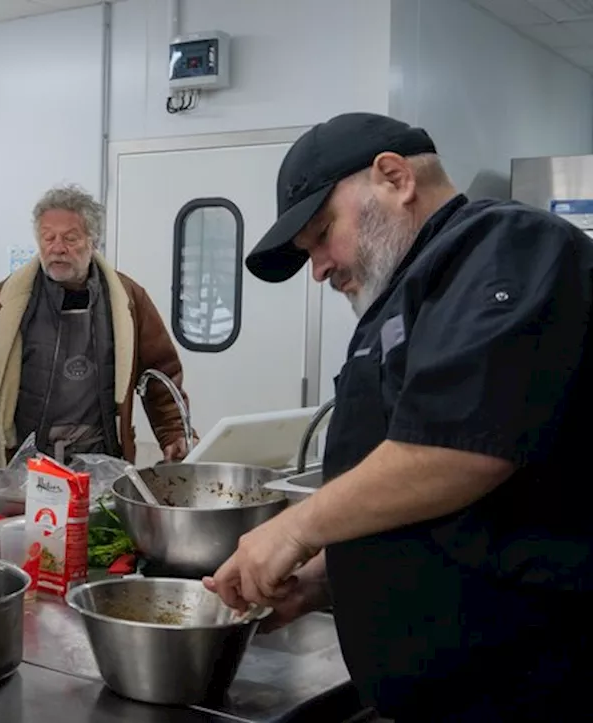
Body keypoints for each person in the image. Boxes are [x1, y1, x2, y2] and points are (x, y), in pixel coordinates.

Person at [205, 112, 593, 721]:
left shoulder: (505, 244)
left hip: (522, 688)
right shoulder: (412, 291)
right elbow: (441, 511)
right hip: (439, 692)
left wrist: (295, 529)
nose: (320, 269)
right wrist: (327, 578)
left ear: (394, 177)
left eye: (322, 233)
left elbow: (459, 446)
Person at [0, 183, 194, 467]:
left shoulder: (128, 299)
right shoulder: (4, 301)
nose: (57, 249)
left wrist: (174, 433)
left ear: (93, 241)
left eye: (70, 238)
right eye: (48, 237)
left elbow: (160, 374)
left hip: (102, 459)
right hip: (24, 462)